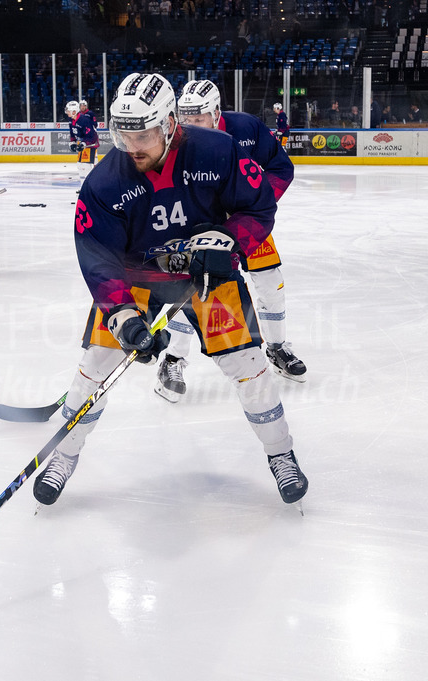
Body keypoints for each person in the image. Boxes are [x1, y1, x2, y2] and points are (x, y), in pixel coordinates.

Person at [33, 72, 307, 510]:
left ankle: (281, 453)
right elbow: (98, 255)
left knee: (249, 367)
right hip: (138, 280)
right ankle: (64, 456)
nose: (131, 146)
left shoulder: (218, 151)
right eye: (123, 134)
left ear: (168, 124)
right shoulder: (103, 183)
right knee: (94, 367)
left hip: (206, 278)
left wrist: (231, 242)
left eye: (141, 134)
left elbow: (258, 205)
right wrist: (121, 316)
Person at [155, 79, 306, 403]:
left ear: (216, 113)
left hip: (247, 225)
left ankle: (277, 347)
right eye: (185, 117)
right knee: (190, 287)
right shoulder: (176, 141)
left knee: (269, 281)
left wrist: (253, 204)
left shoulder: (246, 127)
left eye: (197, 118)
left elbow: (281, 167)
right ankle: (172, 360)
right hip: (200, 228)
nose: (189, 125)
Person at [66, 99, 100, 191]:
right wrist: (72, 142)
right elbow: (72, 132)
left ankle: (91, 188)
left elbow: (91, 136)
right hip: (83, 143)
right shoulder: (71, 120)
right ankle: (83, 188)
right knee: (80, 165)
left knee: (86, 166)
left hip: (91, 144)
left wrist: (84, 143)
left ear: (74, 111)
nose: (67, 112)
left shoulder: (84, 120)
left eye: (68, 111)